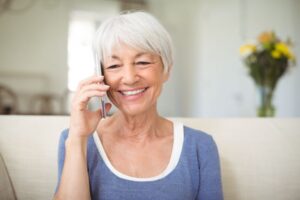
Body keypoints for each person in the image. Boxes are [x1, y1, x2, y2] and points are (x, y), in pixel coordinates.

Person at [54, 11, 223, 200]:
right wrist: (78, 139)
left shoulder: (200, 147)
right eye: (114, 66)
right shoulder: (75, 140)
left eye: (142, 62)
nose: (129, 78)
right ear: (101, 76)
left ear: (166, 69)